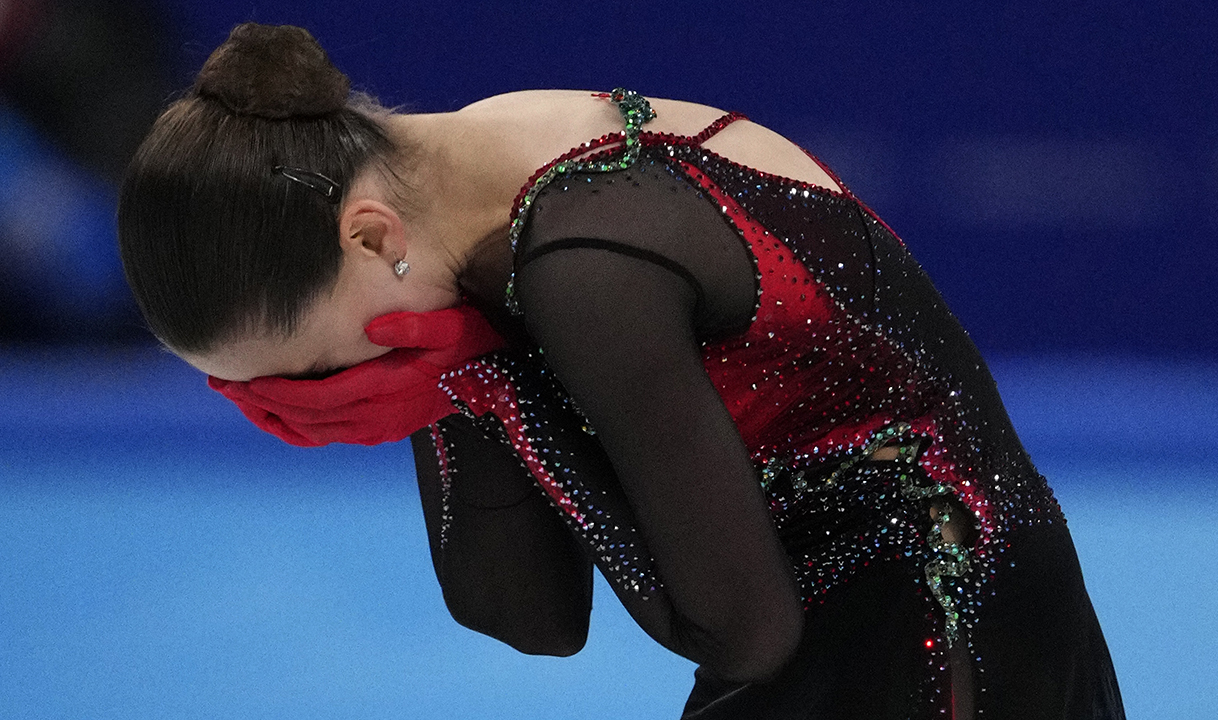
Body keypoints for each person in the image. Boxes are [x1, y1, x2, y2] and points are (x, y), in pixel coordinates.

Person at [117, 23, 1125, 720]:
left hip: (945, 633)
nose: (308, 411)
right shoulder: (446, 215)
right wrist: (461, 383)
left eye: (312, 373)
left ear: (369, 236)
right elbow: (528, 618)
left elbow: (741, 630)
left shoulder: (587, 258)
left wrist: (487, 382)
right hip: (869, 625)